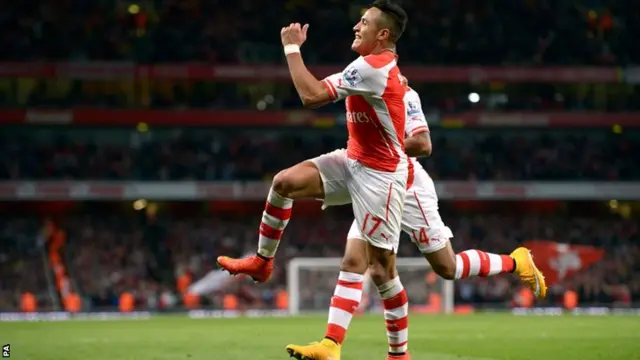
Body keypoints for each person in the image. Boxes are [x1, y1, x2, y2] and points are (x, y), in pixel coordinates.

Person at [217, 1, 410, 359]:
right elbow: (324, 88)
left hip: (380, 179)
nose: (356, 26)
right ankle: (262, 262)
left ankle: (399, 355)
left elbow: (311, 95)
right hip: (353, 160)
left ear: (382, 34)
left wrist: (291, 48)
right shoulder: (368, 65)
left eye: (364, 23)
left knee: (381, 271)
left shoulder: (375, 68)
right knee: (284, 183)